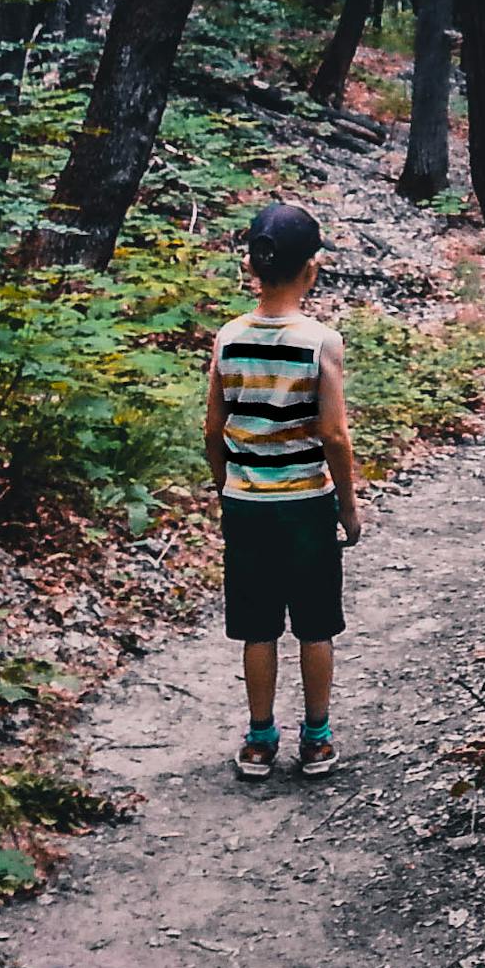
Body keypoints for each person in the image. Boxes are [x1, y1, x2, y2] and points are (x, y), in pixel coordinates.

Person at [205, 203, 362, 778]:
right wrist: (346, 505)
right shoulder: (320, 341)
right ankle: (316, 738)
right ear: (311, 270)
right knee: (315, 624)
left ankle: (259, 738)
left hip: (247, 506)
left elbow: (213, 427)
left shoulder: (228, 338)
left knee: (257, 624)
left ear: (252, 264)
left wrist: (227, 486)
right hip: (306, 505)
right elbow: (335, 435)